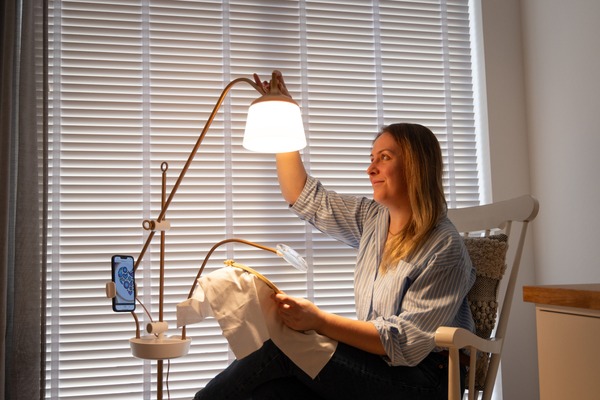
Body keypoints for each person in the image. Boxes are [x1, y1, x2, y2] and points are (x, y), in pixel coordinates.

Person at [194, 71, 475, 400]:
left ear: (417, 165)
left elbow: (404, 344)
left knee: (281, 346)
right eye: (372, 159)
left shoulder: (444, 247)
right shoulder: (373, 219)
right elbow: (304, 197)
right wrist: (284, 117)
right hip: (380, 364)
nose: (371, 169)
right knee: (273, 391)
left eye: (384, 158)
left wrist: (318, 321)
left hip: (426, 378)